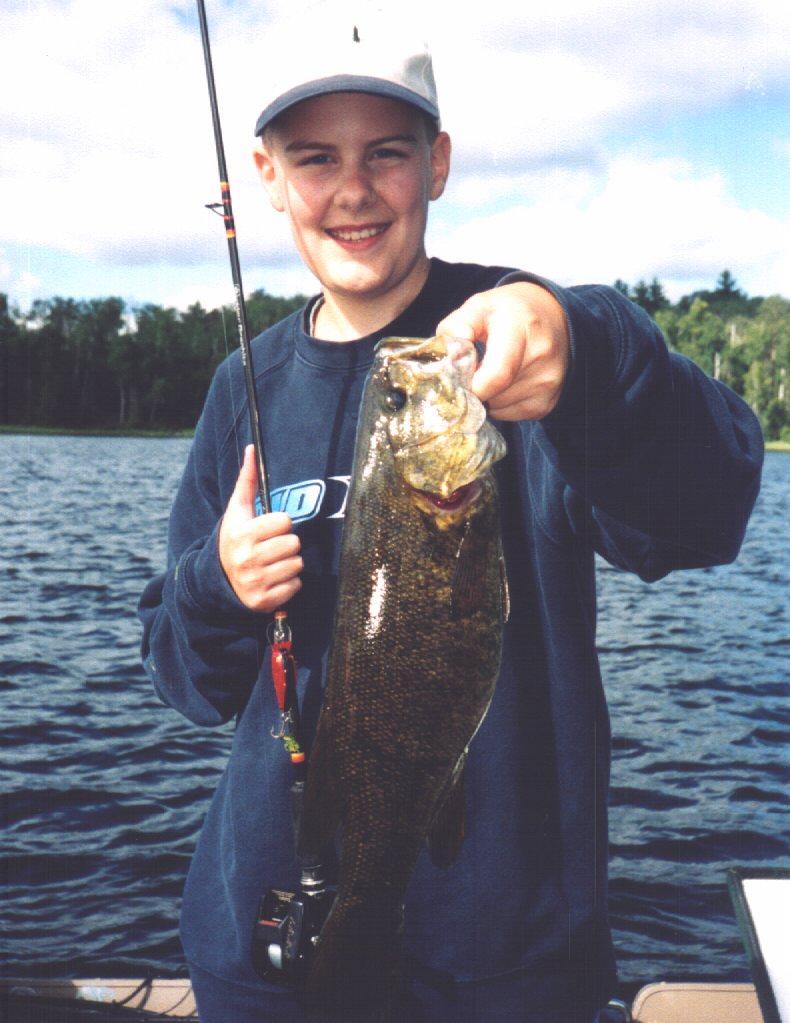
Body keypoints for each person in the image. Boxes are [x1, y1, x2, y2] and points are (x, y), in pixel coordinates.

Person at [138, 19, 763, 1023]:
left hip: (502, 969)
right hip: (266, 946)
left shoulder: (514, 345)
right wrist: (217, 583)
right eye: (316, 158)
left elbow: (707, 513)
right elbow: (187, 680)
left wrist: (587, 346)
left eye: (386, 153)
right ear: (267, 177)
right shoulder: (241, 386)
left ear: (435, 163)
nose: (352, 190)